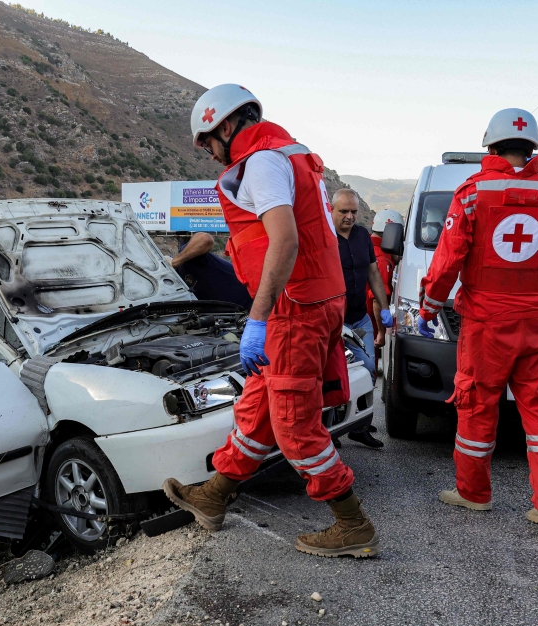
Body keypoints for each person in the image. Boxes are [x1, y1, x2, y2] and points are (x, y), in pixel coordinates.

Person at [163, 84, 379, 558]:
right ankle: (214, 496)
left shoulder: (260, 163)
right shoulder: (290, 155)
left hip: (292, 309)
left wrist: (257, 319)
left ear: (223, 127)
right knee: (260, 405)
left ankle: (352, 524)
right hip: (320, 298)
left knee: (293, 424)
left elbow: (283, 242)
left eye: (207, 144)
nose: (210, 154)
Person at [417, 108, 538, 529]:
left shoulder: (473, 192)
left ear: (491, 147)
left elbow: (448, 258)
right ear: (533, 147)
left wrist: (429, 306)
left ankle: (473, 493)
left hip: (487, 323)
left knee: (477, 403)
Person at [332, 190, 394, 449]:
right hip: (334, 322)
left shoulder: (362, 237)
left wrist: (385, 308)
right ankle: (332, 428)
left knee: (368, 374)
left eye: (354, 212)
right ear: (332, 210)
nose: (349, 217)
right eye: (343, 212)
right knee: (335, 376)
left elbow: (372, 273)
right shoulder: (324, 236)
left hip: (360, 319)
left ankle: (360, 426)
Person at [169, 231, 254, 308]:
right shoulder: (175, 292)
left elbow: (205, 238)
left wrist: (174, 263)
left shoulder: (186, 258)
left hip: (252, 299)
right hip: (234, 314)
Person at [367, 209, 402, 350]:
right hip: (372, 320)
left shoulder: (369, 247)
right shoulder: (381, 259)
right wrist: (381, 332)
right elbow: (376, 298)